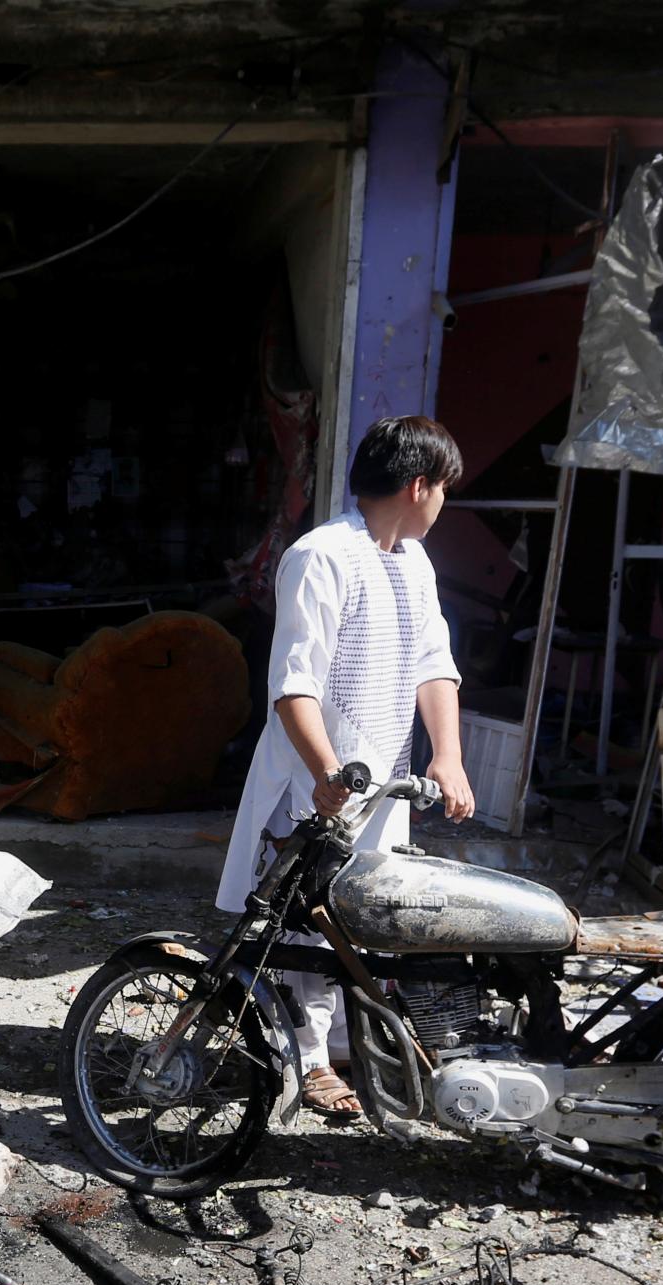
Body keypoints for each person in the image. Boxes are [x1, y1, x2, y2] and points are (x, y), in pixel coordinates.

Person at [217, 415, 476, 1116]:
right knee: (303, 921)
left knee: (360, 917)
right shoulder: (320, 556)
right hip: (316, 777)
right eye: (444, 489)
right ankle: (308, 1063)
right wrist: (328, 774)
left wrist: (447, 756)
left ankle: (338, 1045)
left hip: (381, 778)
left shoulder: (412, 562)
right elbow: (292, 685)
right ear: (419, 486)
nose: (444, 504)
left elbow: (433, 665)